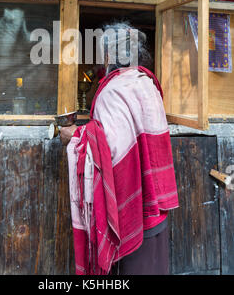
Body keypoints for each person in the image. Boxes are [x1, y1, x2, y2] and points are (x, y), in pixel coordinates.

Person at [60, 22, 179, 275]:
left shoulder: (113, 90)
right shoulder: (147, 83)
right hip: (154, 205)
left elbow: (108, 151)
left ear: (109, 55)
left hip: (131, 211)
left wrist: (75, 136)